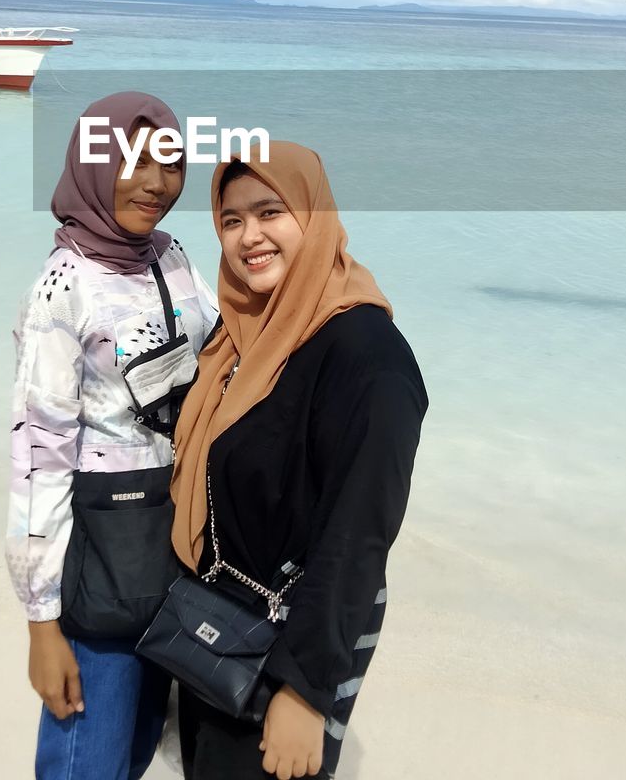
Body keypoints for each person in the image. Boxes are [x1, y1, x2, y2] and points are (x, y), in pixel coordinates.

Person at [171, 143, 427, 779]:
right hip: (217, 638)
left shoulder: (367, 357)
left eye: (270, 212)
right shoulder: (239, 336)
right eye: (232, 221)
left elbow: (358, 536)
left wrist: (305, 691)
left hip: (283, 656)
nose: (249, 237)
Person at [6, 92, 219, 780]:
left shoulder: (170, 255)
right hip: (104, 562)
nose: (158, 184)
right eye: (134, 162)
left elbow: (221, 351)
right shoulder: (62, 288)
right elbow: (38, 461)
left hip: (175, 550)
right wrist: (42, 624)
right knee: (86, 764)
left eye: (172, 163)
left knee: (135, 750)